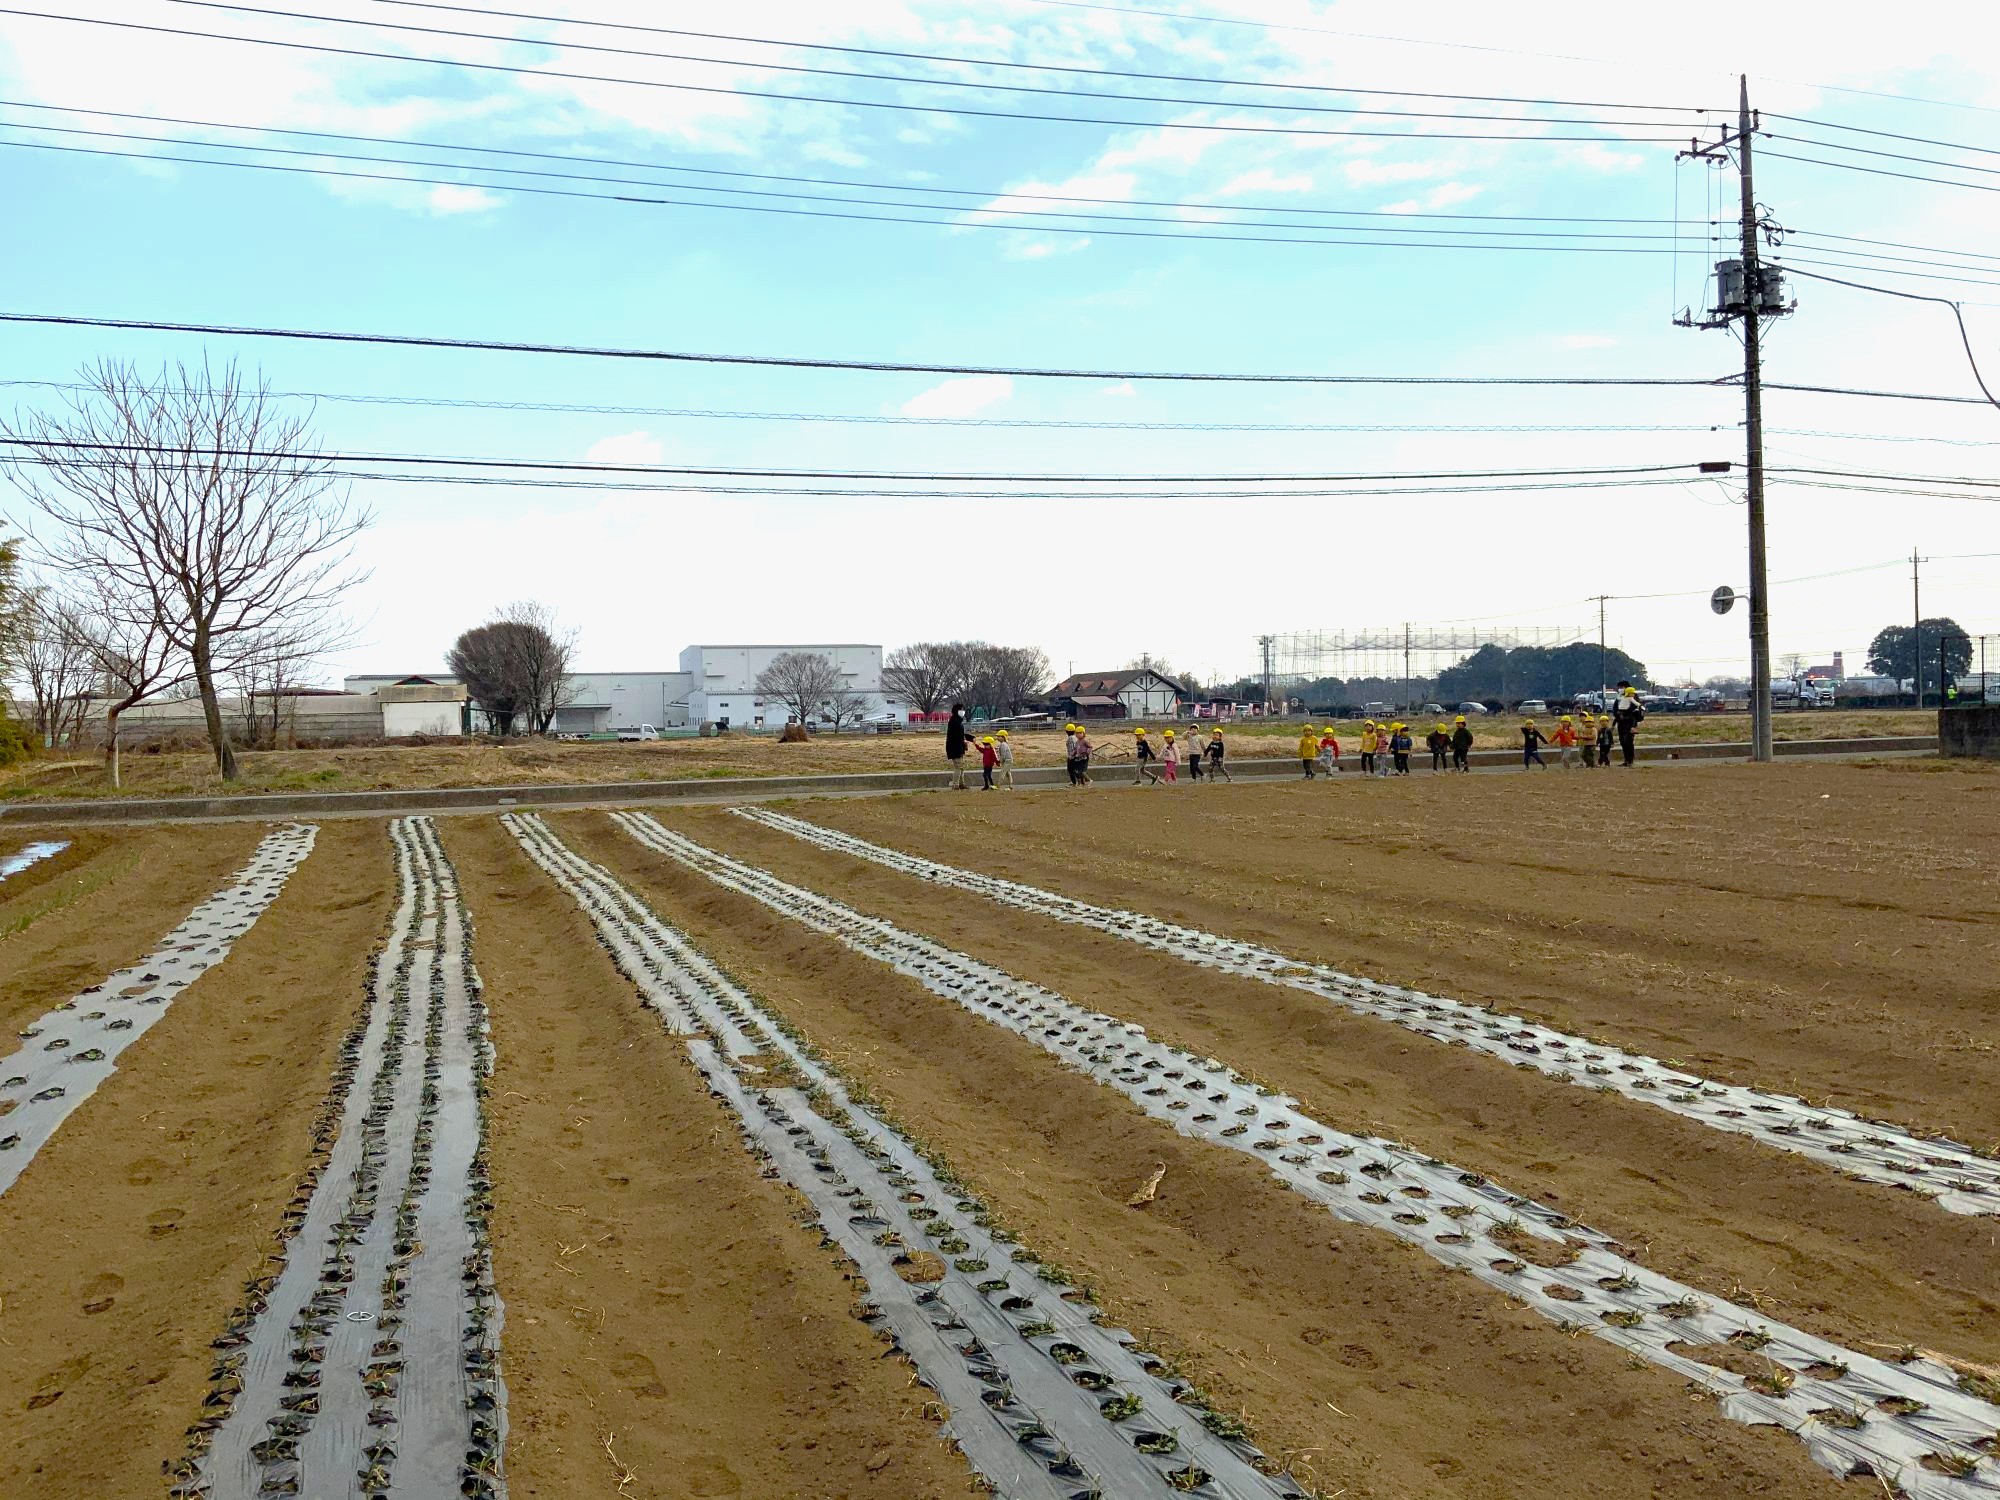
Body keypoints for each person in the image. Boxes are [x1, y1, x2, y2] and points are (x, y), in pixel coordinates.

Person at [1612, 681, 1645, 767]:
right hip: (1620, 721)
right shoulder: (1619, 697)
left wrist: (1625, 713)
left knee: (1628, 741)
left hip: (1630, 722)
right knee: (1622, 741)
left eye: (1621, 687)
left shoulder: (1633, 695)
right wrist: (1618, 714)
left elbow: (1635, 707)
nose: (1619, 689)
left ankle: (1630, 760)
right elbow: (1615, 708)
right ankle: (1626, 760)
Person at [946, 703, 972, 789]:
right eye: (961, 709)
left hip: (957, 748)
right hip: (956, 749)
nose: (963, 711)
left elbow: (960, 735)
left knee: (961, 767)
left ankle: (961, 783)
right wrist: (964, 742)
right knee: (958, 767)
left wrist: (969, 738)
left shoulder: (957, 721)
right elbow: (957, 737)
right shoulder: (955, 722)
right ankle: (956, 785)